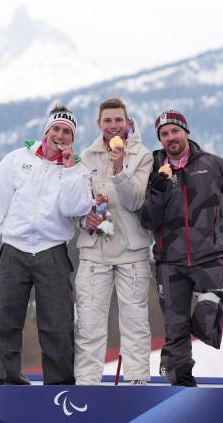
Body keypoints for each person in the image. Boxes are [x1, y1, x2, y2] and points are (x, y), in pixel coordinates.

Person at [138, 109, 223, 387]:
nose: (171, 137)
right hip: (169, 262)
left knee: (208, 320)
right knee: (175, 328)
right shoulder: (151, 170)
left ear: (186, 132)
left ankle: (184, 347)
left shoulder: (212, 165)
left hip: (208, 256)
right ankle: (180, 379)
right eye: (164, 134)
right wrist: (158, 192)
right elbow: (147, 219)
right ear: (160, 139)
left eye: (175, 131)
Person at [0, 104, 93, 385]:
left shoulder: (78, 169)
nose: (61, 135)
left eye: (67, 132)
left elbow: (74, 208)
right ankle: (7, 378)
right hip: (14, 249)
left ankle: (60, 384)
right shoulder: (17, 159)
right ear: (46, 132)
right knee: (6, 318)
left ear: (72, 138)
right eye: (56, 129)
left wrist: (69, 171)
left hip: (52, 251)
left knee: (58, 322)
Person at [74, 97, 153, 385]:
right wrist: (86, 219)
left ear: (127, 121)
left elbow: (136, 201)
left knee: (135, 323)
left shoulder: (142, 155)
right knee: (89, 324)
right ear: (99, 124)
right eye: (107, 121)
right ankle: (86, 384)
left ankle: (138, 382)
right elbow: (76, 204)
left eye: (118, 120)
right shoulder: (87, 156)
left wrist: (120, 170)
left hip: (132, 252)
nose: (113, 126)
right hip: (95, 252)